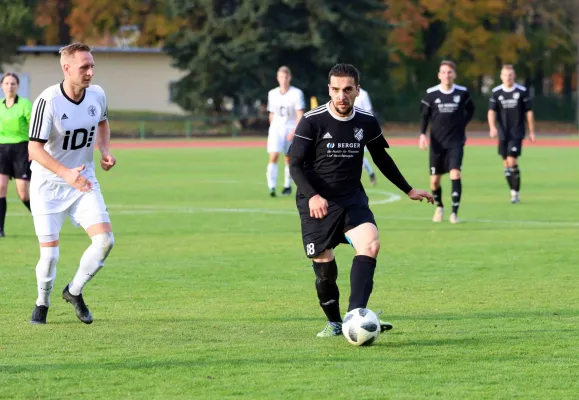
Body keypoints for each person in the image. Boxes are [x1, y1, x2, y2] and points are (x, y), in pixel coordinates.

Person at [289, 63, 434, 337]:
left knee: (371, 244)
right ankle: (334, 322)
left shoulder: (366, 121)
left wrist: (409, 189)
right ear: (328, 90)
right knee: (325, 269)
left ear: (357, 90)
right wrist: (313, 195)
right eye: (335, 90)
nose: (341, 96)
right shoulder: (312, 120)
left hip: (352, 199)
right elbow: (295, 164)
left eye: (347, 90)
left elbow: (381, 158)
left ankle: (355, 318)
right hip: (316, 203)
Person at [28, 42, 116, 325]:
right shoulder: (48, 101)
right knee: (50, 256)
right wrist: (66, 173)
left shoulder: (97, 95)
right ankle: (42, 303)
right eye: (84, 67)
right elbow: (34, 149)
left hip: (84, 180)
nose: (90, 72)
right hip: (48, 186)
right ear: (66, 68)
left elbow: (102, 123)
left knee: (104, 241)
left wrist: (104, 151)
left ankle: (74, 291)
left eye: (92, 66)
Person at [419, 60, 475, 224]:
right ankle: (440, 207)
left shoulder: (462, 93)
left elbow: (470, 109)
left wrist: (462, 125)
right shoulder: (431, 93)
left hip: (456, 141)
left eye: (449, 72)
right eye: (443, 72)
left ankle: (454, 213)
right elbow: (424, 116)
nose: (446, 75)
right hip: (436, 143)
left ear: (454, 75)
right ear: (439, 75)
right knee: (434, 181)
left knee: (455, 173)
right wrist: (422, 135)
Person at [488, 64, 536, 203]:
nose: (508, 78)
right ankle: (512, 191)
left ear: (514, 76)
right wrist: (492, 127)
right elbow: (492, 111)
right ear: (501, 77)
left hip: (517, 131)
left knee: (511, 160)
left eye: (510, 75)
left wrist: (531, 131)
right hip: (503, 132)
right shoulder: (496, 92)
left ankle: (515, 193)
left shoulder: (522, 91)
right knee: (505, 163)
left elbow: (529, 112)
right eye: (505, 75)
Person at [0, 72, 33, 237]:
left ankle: (41, 218)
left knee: (23, 193)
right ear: (2, 86)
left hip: (21, 149)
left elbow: (34, 127)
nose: (9, 86)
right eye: (6, 83)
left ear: (18, 86)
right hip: (2, 150)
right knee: (0, 187)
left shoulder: (25, 105)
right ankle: (0, 229)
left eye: (13, 83)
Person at [266, 66, 305, 197]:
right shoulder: (272, 93)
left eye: (285, 77)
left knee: (288, 158)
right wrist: (273, 129)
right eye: (281, 77)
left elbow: (300, 114)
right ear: (277, 78)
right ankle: (271, 187)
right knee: (273, 156)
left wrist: (294, 131)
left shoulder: (296, 93)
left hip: (290, 128)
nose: (283, 80)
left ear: (290, 78)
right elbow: (271, 114)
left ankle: (287, 185)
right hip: (276, 129)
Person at [354, 87, 377, 187]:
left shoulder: (363, 94)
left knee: (358, 154)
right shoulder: (345, 93)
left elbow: (369, 111)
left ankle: (369, 174)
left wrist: (369, 128)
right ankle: (370, 173)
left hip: (360, 129)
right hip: (346, 128)